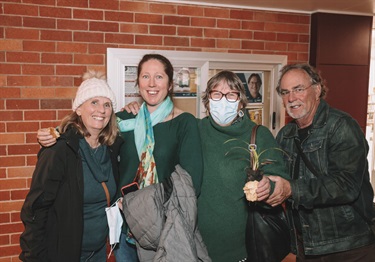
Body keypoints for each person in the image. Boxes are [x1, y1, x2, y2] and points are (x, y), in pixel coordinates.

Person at [36, 54, 204, 262]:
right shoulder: (124, 120)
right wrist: (54, 133)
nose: (152, 84)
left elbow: (191, 183)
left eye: (159, 77)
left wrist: (144, 205)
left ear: (170, 84)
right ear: (138, 83)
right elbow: (87, 126)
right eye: (145, 76)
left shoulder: (185, 123)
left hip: (164, 228)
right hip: (125, 230)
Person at [124, 70, 290, 261]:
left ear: (241, 102)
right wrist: (137, 111)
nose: (223, 100)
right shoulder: (194, 129)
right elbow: (158, 144)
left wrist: (266, 187)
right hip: (191, 244)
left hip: (238, 249)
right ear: (208, 101)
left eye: (231, 94)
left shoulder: (258, 135)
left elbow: (280, 181)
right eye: (216, 94)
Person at [267, 63, 375, 261]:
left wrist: (291, 189)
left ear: (317, 90)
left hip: (348, 247)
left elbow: (346, 185)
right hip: (306, 248)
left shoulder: (341, 126)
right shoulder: (285, 135)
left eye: (298, 89)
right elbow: (280, 180)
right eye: (285, 92)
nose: (291, 98)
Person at [20, 71, 123, 262]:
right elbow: (35, 209)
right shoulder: (59, 150)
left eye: (107, 104)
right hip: (65, 254)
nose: (101, 109)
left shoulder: (112, 148)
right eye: (94, 102)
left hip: (99, 253)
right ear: (78, 109)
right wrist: (32, 257)